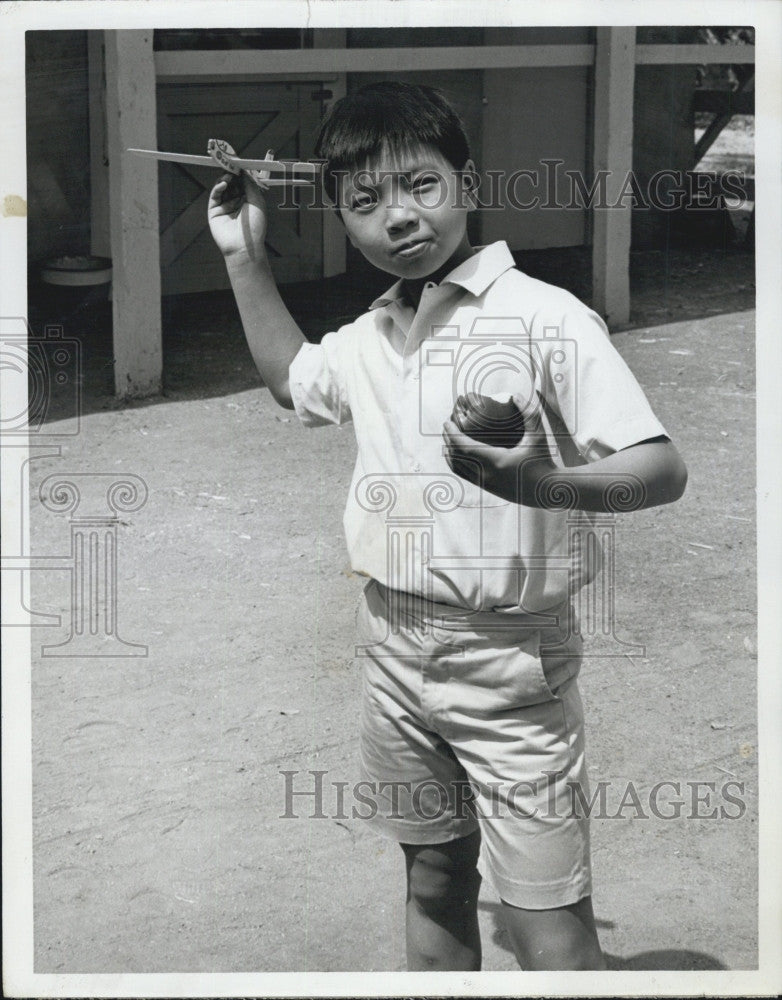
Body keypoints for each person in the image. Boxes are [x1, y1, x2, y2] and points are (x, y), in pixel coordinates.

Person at [208, 81, 687, 972]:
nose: (398, 217)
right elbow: (293, 380)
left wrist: (541, 484)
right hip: (390, 645)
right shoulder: (372, 330)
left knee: (549, 926)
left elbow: (661, 471)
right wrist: (243, 257)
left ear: (466, 182)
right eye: (365, 202)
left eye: (421, 186)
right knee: (432, 880)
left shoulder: (543, 316)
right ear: (341, 220)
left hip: (509, 660)